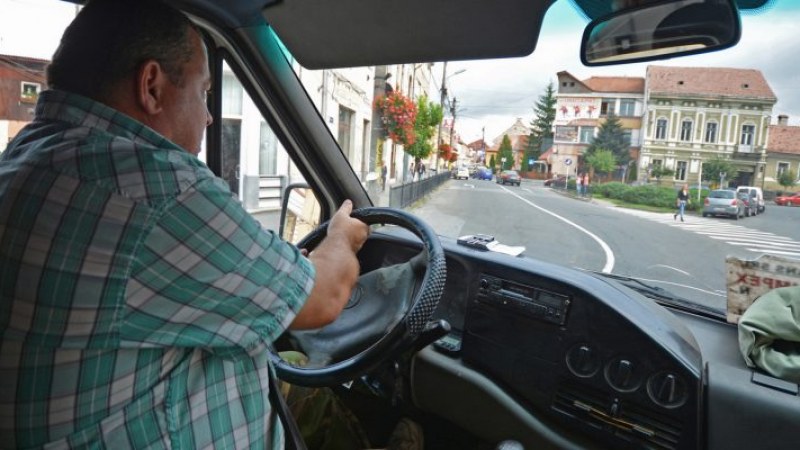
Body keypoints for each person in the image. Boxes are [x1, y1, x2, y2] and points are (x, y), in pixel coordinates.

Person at [0, 1, 369, 449]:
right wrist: (342, 235)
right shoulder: (155, 188)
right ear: (151, 85)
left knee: (291, 360)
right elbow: (324, 298)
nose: (209, 116)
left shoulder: (26, 160)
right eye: (204, 93)